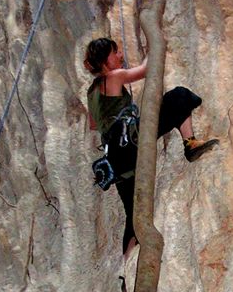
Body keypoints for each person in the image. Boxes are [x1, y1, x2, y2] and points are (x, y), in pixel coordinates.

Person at [84, 37, 218, 260]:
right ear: (106, 59)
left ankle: (126, 273)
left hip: (116, 160)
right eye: (115, 52)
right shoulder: (114, 76)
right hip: (130, 141)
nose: (120, 56)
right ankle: (190, 143)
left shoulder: (92, 92)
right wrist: (156, 43)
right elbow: (147, 69)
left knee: (134, 214)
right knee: (179, 96)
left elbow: (94, 125)